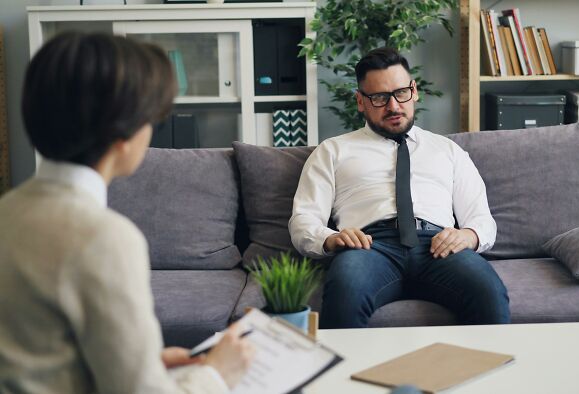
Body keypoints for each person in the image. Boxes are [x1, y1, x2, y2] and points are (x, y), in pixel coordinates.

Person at [0, 32, 253, 393]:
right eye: (150, 118)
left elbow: (40, 356)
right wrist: (217, 374)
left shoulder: (8, 211)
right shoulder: (103, 238)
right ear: (123, 136)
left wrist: (146, 361)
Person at [289, 47, 510, 329]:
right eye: (379, 98)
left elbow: (482, 219)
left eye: (400, 93)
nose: (393, 106)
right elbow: (303, 220)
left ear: (414, 90)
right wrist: (331, 239)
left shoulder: (448, 151)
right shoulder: (332, 151)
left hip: (438, 246)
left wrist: (468, 235)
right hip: (369, 248)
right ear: (360, 101)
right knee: (345, 290)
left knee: (489, 291)